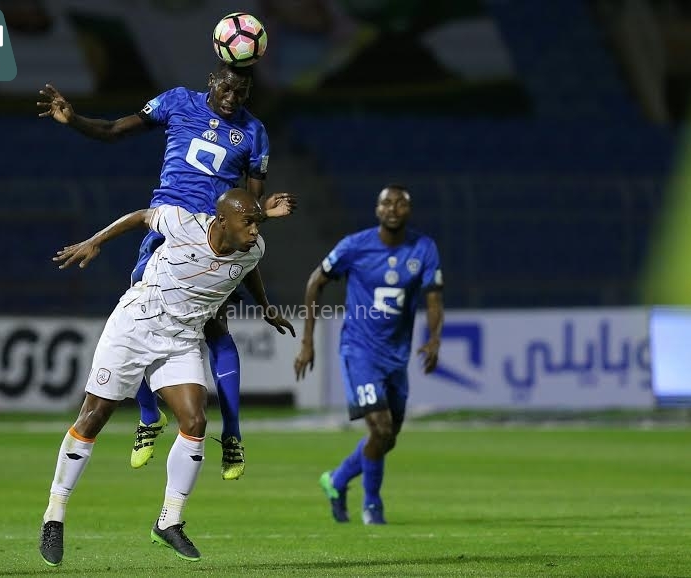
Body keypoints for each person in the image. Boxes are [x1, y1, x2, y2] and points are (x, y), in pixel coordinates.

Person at [37, 62, 295, 480]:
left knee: (216, 327)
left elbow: (249, 207)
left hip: (214, 238)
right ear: (212, 80)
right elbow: (114, 130)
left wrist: (263, 212)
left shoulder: (254, 132)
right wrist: (74, 121)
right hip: (168, 227)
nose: (233, 98)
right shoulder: (177, 101)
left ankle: (232, 433)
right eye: (228, 88)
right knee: (137, 317)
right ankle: (147, 415)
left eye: (242, 93)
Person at [39, 188, 295, 566]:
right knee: (93, 417)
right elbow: (142, 216)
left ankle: (169, 521)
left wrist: (267, 308)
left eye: (257, 222)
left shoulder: (253, 248)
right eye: (248, 222)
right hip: (135, 325)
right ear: (221, 221)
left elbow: (247, 267)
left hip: (182, 339)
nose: (255, 230)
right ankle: (54, 515)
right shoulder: (183, 224)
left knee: (194, 420)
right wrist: (95, 241)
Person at [293, 184, 444, 525]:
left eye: (400, 203)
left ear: (408, 210)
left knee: (387, 437)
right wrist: (307, 341)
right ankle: (372, 505)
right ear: (377, 210)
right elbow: (315, 281)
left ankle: (336, 480)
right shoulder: (354, 246)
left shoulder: (424, 248)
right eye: (386, 203)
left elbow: (434, 297)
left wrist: (434, 338)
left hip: (396, 356)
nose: (393, 209)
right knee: (380, 427)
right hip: (359, 350)